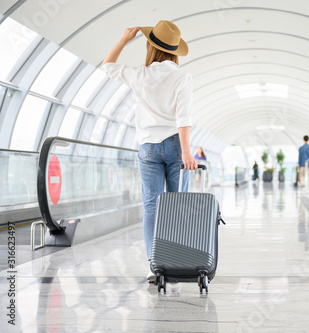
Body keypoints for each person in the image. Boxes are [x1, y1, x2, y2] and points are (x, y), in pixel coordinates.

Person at [101, 20, 197, 283]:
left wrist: (123, 39)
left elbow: (107, 65)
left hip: (147, 148)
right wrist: (187, 153)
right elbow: (184, 117)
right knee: (179, 205)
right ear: (175, 51)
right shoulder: (182, 77)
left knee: (152, 207)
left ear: (151, 46)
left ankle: (155, 265)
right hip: (176, 145)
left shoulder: (138, 74)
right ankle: (177, 261)